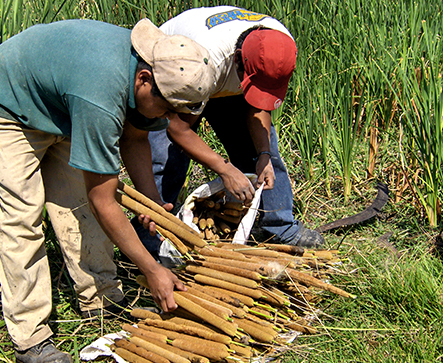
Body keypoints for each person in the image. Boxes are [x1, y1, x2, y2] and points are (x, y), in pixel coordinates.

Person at [0, 18, 215, 363]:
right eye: (165, 109)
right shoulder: (102, 94)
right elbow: (105, 199)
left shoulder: (153, 70)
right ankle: (30, 337)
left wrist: (151, 205)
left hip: (64, 103)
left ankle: (102, 299)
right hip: (13, 101)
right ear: (144, 80)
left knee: (78, 210)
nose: (166, 118)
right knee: (21, 219)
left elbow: (134, 138)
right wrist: (151, 269)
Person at [135, 6, 324, 258]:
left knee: (263, 153)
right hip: (180, 71)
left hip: (228, 75)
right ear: (237, 59)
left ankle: (278, 225)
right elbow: (177, 127)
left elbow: (259, 105)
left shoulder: (280, 42)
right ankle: (153, 232)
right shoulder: (207, 57)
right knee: (165, 158)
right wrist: (224, 169)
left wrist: (264, 154)